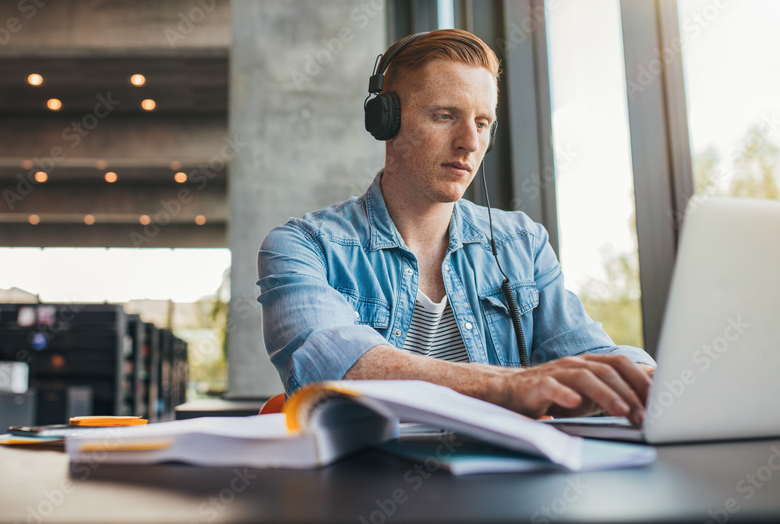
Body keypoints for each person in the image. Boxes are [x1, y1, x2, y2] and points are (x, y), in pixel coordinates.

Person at [257, 29, 656, 426]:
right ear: (386, 122)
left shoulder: (522, 243)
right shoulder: (302, 246)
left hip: (501, 482)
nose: (469, 142)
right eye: (445, 116)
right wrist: (511, 386)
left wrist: (648, 381)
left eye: (482, 123)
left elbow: (587, 355)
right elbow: (335, 367)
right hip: (366, 482)